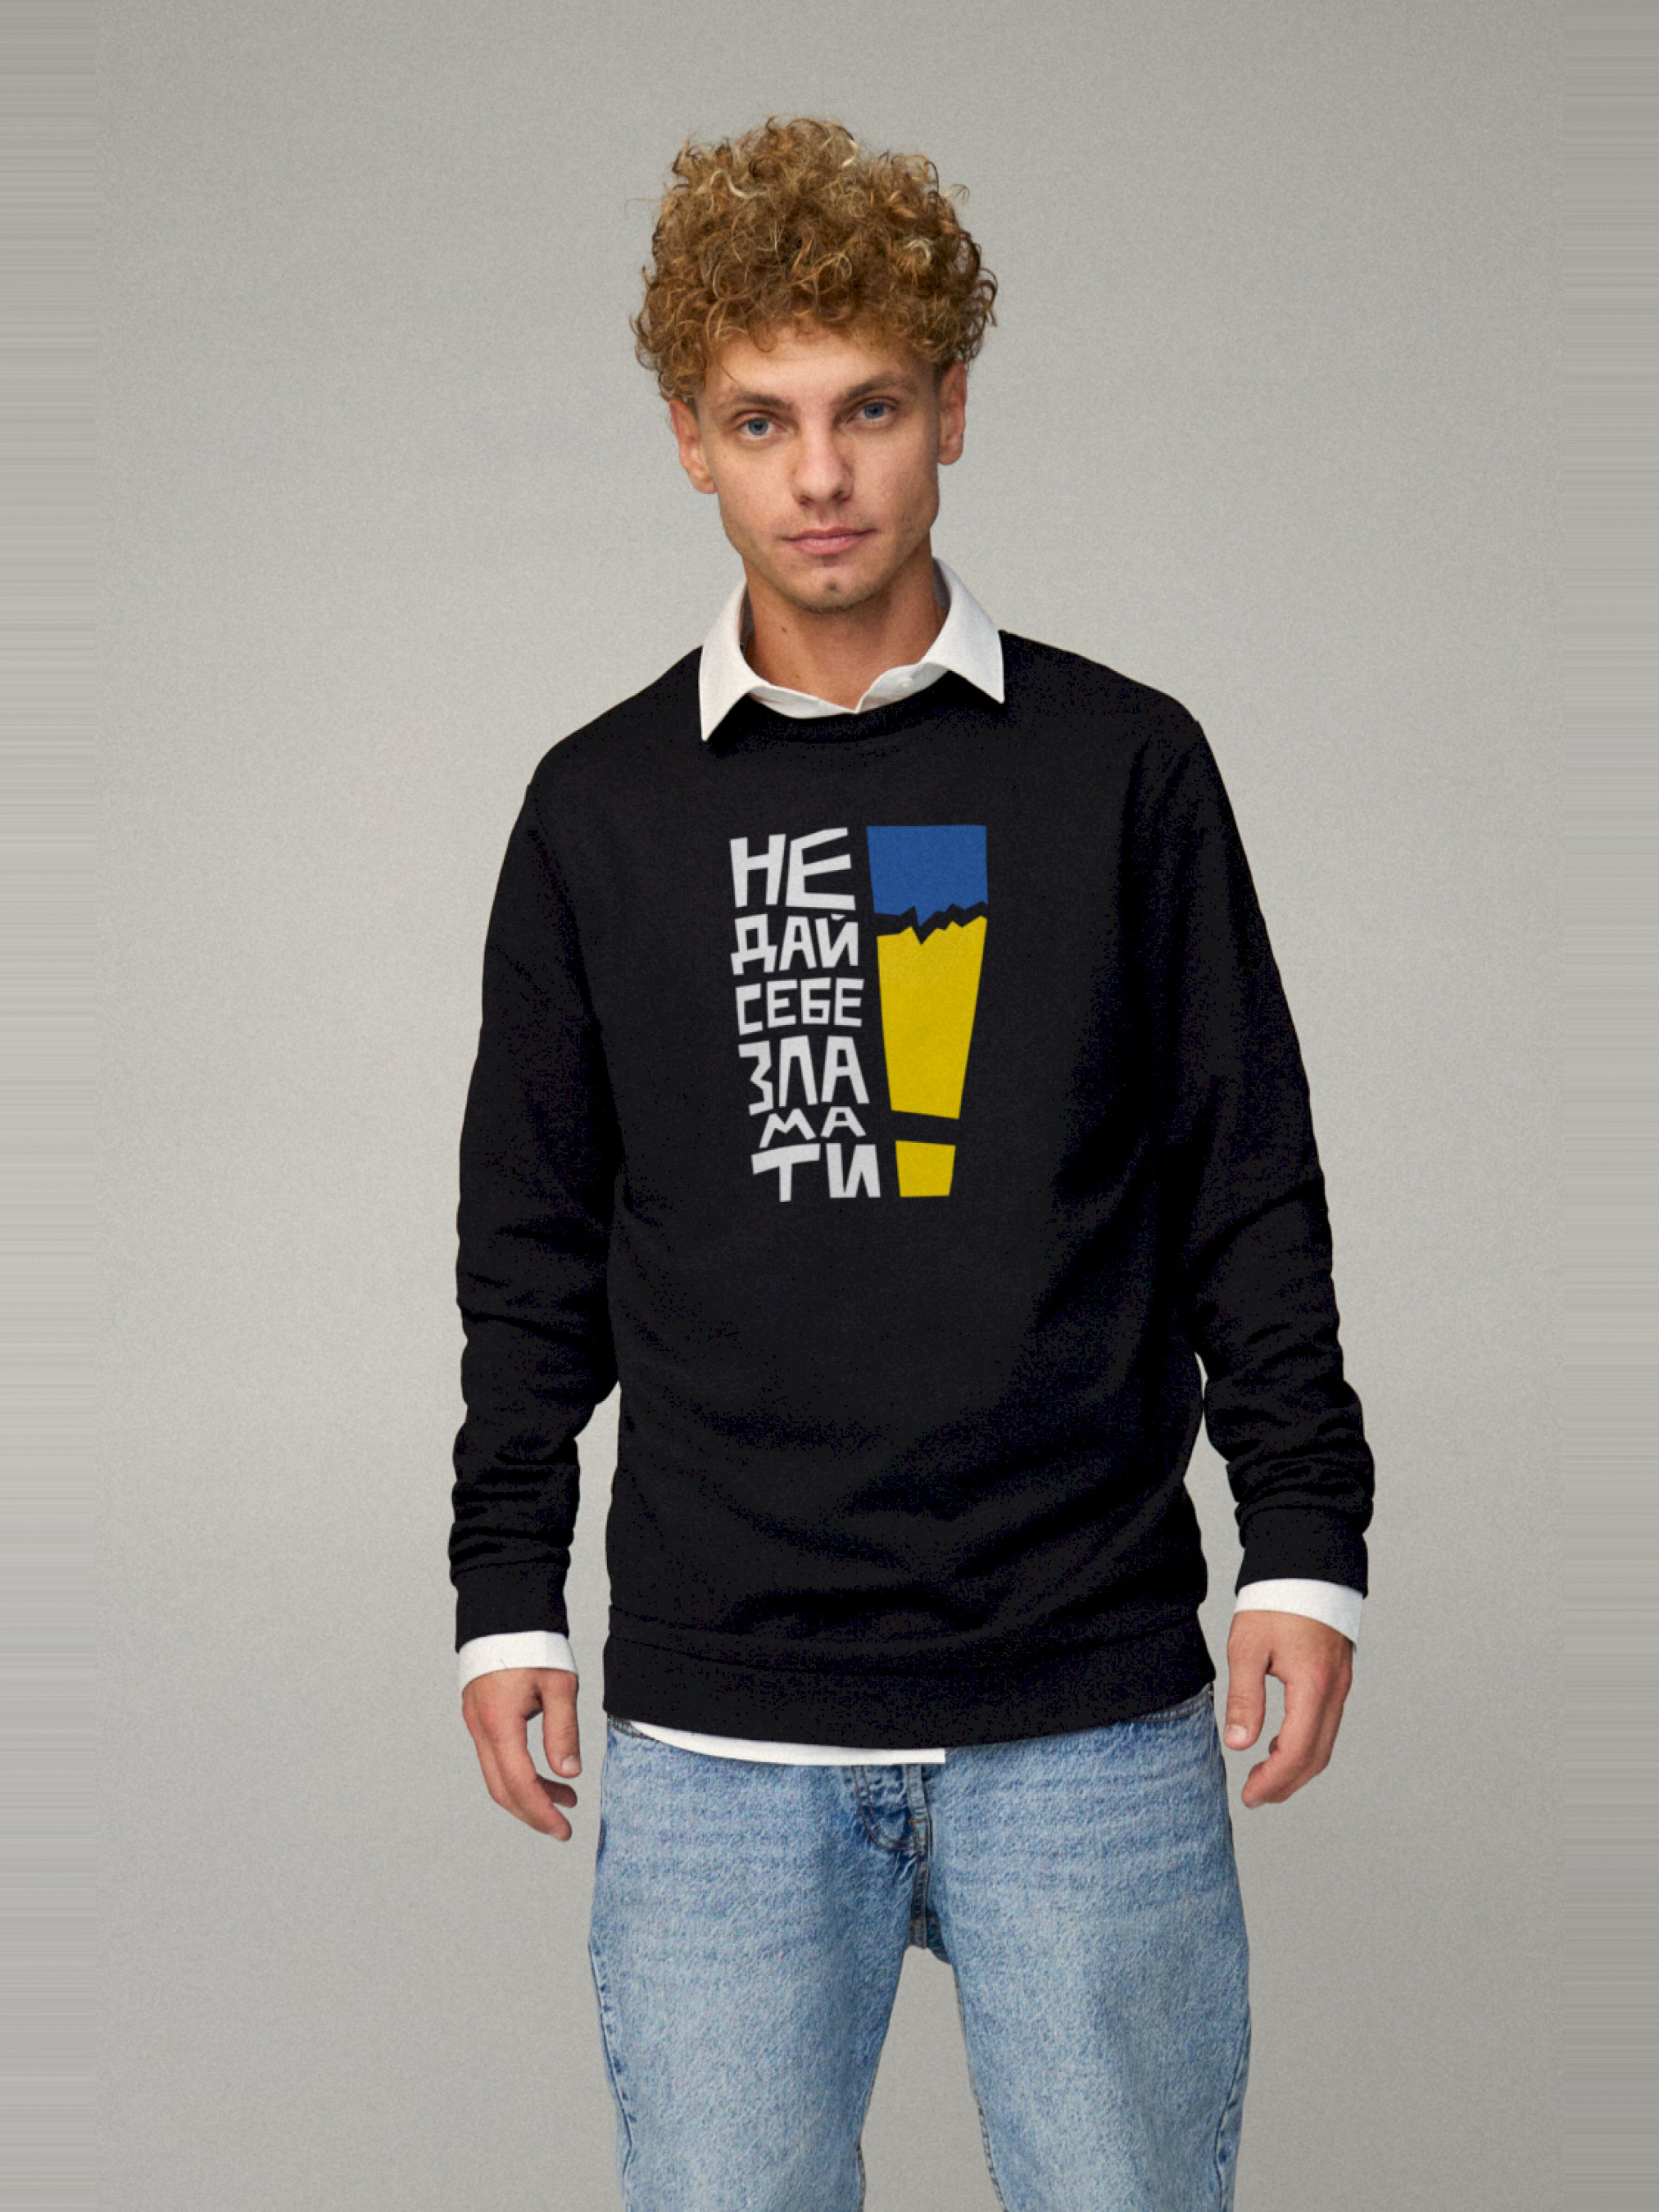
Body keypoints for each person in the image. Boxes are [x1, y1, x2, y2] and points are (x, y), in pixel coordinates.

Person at [450, 116, 1373, 2212]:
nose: (820, 473)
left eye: (866, 406)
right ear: (687, 442)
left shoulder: (1121, 767)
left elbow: (1244, 1175)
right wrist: (506, 1596)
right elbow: (531, 1240)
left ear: (949, 408)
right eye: (759, 420)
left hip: (1088, 1698)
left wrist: (1301, 1542)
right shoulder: (600, 810)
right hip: (723, 1729)